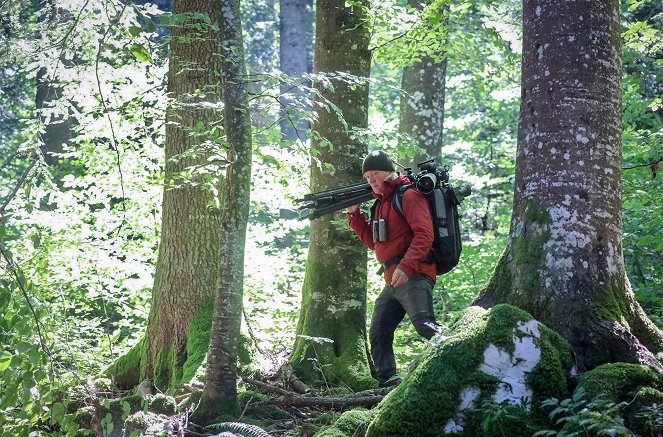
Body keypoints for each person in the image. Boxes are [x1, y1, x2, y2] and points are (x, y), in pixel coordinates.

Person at [346, 150, 440, 387]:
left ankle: (463, 354)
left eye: (375, 173)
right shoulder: (379, 204)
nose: (371, 180)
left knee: (425, 325)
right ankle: (388, 382)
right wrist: (355, 215)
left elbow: (424, 235)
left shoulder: (408, 195)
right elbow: (373, 243)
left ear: (388, 171)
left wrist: (407, 267)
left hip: (414, 274)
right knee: (379, 330)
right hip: (392, 279)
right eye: (367, 177)